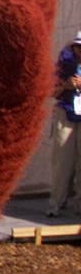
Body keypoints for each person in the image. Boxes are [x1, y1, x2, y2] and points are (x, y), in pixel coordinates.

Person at [46, 31, 81, 217]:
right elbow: (50, 91)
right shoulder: (62, 65)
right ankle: (56, 203)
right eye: (78, 47)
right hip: (65, 113)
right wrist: (66, 86)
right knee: (62, 161)